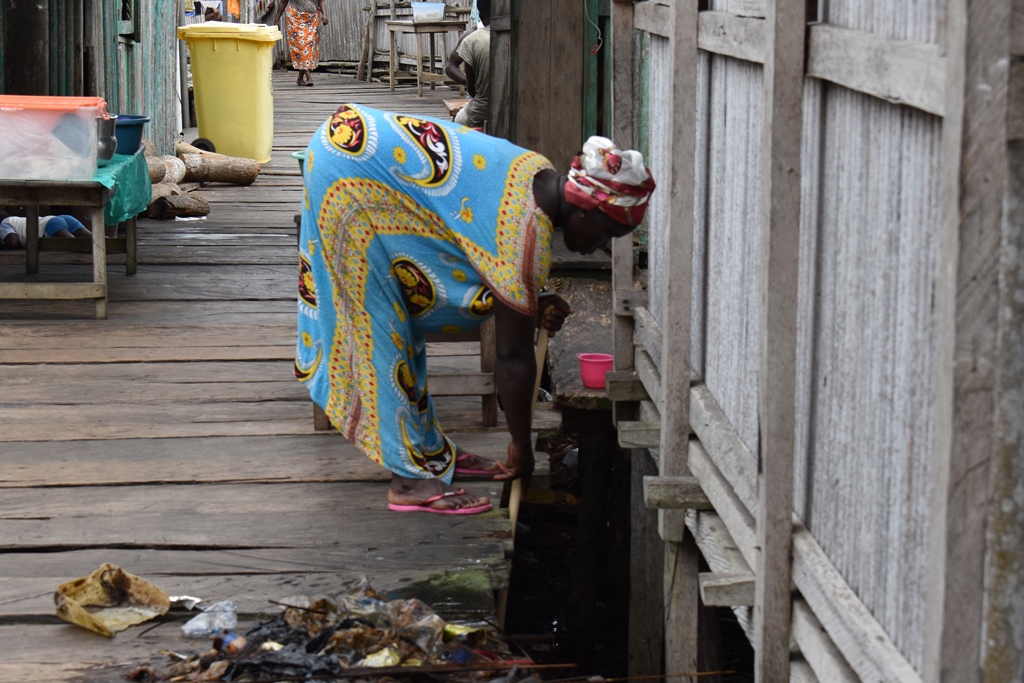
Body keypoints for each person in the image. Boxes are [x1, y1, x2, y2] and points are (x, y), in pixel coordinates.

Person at [296, 103, 656, 514]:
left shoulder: (536, 172)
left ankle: (427, 454)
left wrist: (530, 303)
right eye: (607, 232)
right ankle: (408, 481)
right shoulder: (527, 236)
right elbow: (513, 358)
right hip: (348, 172)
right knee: (380, 324)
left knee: (398, 306)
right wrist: (521, 447)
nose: (600, 246)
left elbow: (472, 245)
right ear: (584, 207)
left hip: (353, 147)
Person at [445, 0, 491, 128]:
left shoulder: (473, 40)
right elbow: (450, 66)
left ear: (480, 15)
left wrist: (474, 84)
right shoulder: (471, 35)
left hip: (481, 108)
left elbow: (472, 91)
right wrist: (473, 82)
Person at [274, 0, 328, 87]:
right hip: (295, 18)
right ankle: (308, 76)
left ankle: (300, 78)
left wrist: (325, 15)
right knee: (302, 46)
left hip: (312, 19)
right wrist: (276, 20)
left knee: (309, 46)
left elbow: (321, 1)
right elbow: (283, 2)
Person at [0, 212, 92, 250]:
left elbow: (13, 242)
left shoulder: (4, 224)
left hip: (49, 225)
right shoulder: (14, 220)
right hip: (60, 219)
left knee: (75, 245)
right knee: (97, 240)